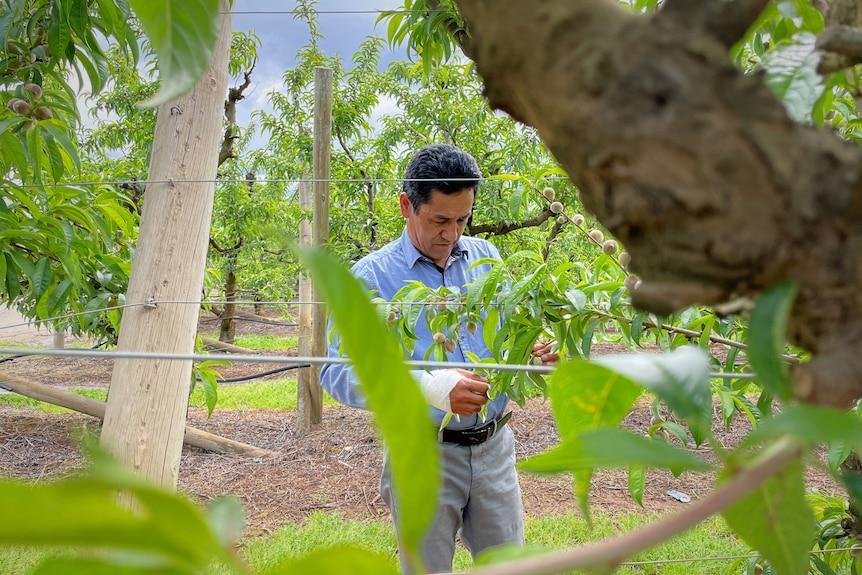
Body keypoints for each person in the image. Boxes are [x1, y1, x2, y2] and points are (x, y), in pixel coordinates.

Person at [320, 143, 556, 574]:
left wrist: (531, 351)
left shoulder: (487, 258)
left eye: (463, 219)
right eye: (440, 220)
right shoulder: (371, 278)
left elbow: (506, 337)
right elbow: (337, 373)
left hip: (494, 447)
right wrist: (427, 387)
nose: (452, 233)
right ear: (407, 206)